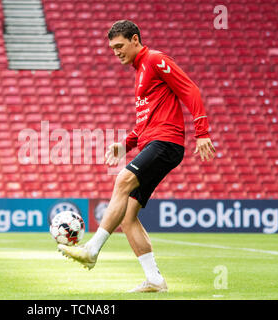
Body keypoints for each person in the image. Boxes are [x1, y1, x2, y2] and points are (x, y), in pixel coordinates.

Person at [58, 20, 216, 293]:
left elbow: (190, 89)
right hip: (153, 141)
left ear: (134, 40)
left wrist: (202, 131)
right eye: (112, 48)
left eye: (119, 46)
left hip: (166, 142)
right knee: (128, 216)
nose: (116, 52)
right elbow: (145, 121)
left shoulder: (154, 60)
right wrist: (126, 144)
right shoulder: (141, 70)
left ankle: (91, 251)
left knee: (122, 179)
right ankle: (154, 279)